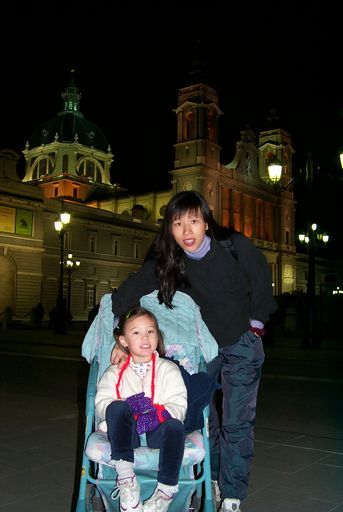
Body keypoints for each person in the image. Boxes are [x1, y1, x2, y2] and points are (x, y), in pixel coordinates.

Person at [109, 190, 277, 512]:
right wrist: (121, 336)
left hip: (242, 343)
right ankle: (211, 478)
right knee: (203, 418)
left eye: (194, 222)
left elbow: (260, 279)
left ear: (206, 222)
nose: (187, 232)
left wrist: (256, 323)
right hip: (205, 348)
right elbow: (132, 287)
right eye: (178, 224)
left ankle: (231, 496)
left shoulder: (234, 246)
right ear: (169, 229)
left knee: (237, 422)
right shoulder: (172, 262)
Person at [95, 306, 187, 512]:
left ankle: (164, 493)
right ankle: (127, 481)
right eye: (136, 332)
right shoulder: (115, 372)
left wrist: (158, 414)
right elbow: (102, 404)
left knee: (176, 427)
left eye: (150, 331)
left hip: (158, 430)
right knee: (116, 407)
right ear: (124, 341)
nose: (145, 337)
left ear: (157, 336)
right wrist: (129, 408)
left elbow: (179, 403)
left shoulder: (168, 369)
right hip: (126, 434)